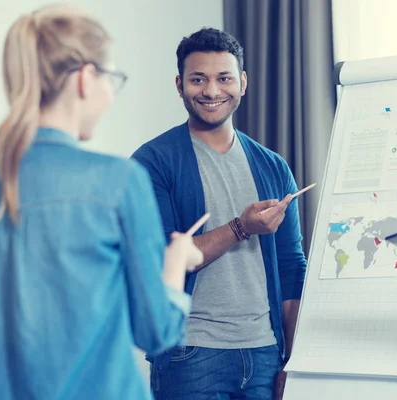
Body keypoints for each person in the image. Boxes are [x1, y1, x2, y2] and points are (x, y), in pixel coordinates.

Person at [0, 5, 203, 400]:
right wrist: (176, 262)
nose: (109, 95)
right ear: (86, 79)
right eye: (111, 78)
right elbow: (155, 331)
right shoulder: (118, 180)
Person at [131, 27, 307, 400]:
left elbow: (292, 268)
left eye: (224, 78)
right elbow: (162, 259)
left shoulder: (273, 167)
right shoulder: (152, 163)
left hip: (265, 353)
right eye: (198, 79)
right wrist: (241, 227)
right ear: (180, 85)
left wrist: (294, 360)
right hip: (189, 354)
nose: (211, 91)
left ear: (242, 82)